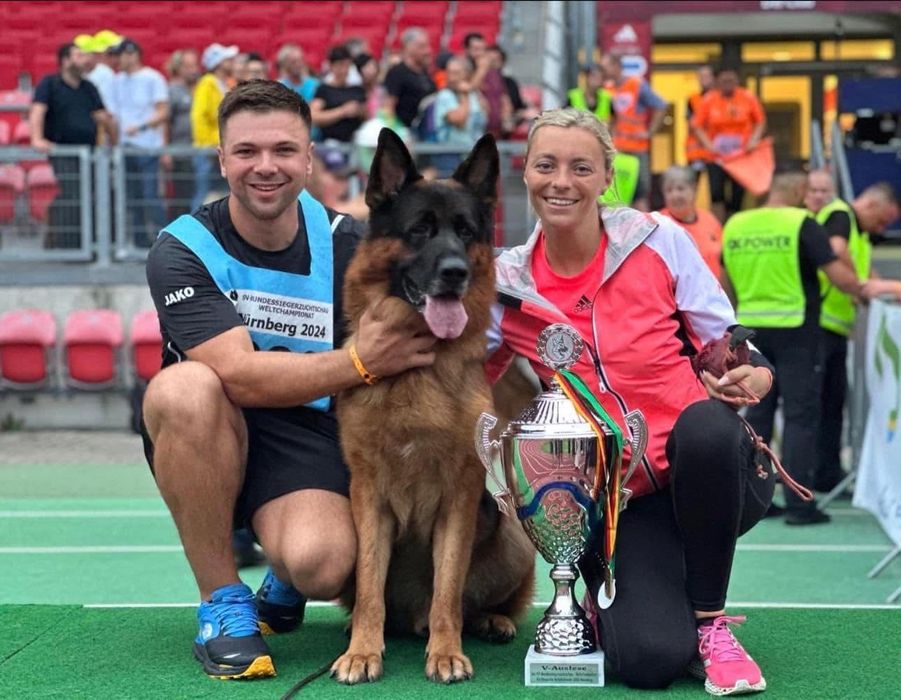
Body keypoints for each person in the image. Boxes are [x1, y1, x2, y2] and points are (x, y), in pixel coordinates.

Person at [143, 80, 437, 680]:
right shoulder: (182, 249)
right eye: (246, 151)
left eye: (282, 150)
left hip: (307, 432)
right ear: (222, 160)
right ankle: (222, 602)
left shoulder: (350, 243)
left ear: (308, 158)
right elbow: (239, 376)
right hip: (213, 424)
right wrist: (360, 361)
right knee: (183, 388)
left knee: (322, 565)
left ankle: (285, 573)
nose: (265, 166)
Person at [486, 107, 775, 695]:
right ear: (526, 172)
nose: (561, 181)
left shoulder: (659, 239)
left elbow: (730, 344)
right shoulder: (506, 284)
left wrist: (755, 375)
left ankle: (710, 622)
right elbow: (459, 374)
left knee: (707, 425)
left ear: (606, 177)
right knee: (647, 660)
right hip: (616, 505)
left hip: (708, 473)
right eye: (546, 165)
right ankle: (627, 599)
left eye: (580, 167)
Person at [721, 171, 878, 526]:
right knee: (800, 416)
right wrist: (864, 290)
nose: (809, 200)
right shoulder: (801, 222)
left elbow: (724, 282)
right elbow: (835, 273)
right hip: (797, 331)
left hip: (750, 330)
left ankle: (757, 498)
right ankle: (799, 503)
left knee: (757, 415)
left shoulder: (736, 224)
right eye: (807, 192)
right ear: (795, 190)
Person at [805, 172, 901, 492]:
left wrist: (876, 286)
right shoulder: (841, 215)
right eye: (883, 220)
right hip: (821, 323)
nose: (882, 228)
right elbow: (836, 250)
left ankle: (826, 472)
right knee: (821, 404)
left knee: (833, 403)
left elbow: (865, 268)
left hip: (833, 326)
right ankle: (814, 473)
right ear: (871, 204)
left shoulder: (859, 233)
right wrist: (858, 287)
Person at [29, 42, 116, 249]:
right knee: (73, 193)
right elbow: (38, 111)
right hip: (63, 151)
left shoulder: (89, 87)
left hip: (91, 153)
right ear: (65, 60)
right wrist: (36, 138)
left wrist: (114, 141)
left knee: (100, 193)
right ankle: (69, 245)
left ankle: (96, 243)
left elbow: (102, 116)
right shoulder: (49, 84)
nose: (85, 59)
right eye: (79, 55)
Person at [108, 38, 169, 248]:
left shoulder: (153, 78)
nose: (118, 59)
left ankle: (165, 241)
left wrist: (141, 127)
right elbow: (114, 114)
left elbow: (163, 111)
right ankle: (140, 242)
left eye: (122, 55)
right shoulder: (116, 81)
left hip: (148, 145)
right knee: (132, 198)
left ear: (133, 55)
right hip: (125, 146)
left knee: (151, 196)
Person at [691, 65, 766, 223]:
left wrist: (753, 140)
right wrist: (708, 145)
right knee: (717, 194)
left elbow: (760, 121)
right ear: (718, 81)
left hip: (741, 156)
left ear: (737, 80)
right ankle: (718, 227)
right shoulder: (709, 99)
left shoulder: (748, 97)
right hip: (716, 157)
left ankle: (735, 224)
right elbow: (697, 125)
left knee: (738, 194)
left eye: (731, 80)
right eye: (724, 81)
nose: (728, 84)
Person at [599, 53, 668, 212]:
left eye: (605, 67)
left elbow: (660, 105)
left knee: (640, 193)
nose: (603, 71)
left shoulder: (636, 85)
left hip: (636, 148)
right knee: (617, 191)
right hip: (614, 149)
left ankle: (642, 225)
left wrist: (650, 132)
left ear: (616, 66)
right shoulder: (606, 89)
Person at [191, 43, 237, 211]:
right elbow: (199, 116)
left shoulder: (224, 84)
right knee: (204, 193)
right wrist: (207, 144)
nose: (231, 62)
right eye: (227, 59)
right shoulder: (207, 83)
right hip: (209, 149)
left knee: (218, 192)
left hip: (220, 146)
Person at [658, 165, 723, 279]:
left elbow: (721, 261)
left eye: (680, 189)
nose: (675, 195)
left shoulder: (709, 220)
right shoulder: (658, 225)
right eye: (669, 190)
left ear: (694, 189)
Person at [431, 56, 487, 176]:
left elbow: (485, 116)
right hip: (451, 155)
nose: (451, 78)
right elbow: (459, 121)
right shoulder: (445, 95)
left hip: (474, 155)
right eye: (449, 73)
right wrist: (464, 96)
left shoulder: (474, 94)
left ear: (467, 75)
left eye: (456, 73)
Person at [164, 48, 200, 218]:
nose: (193, 70)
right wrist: (166, 151)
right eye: (188, 66)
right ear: (178, 68)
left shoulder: (202, 88)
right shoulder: (173, 91)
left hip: (200, 150)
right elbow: (166, 122)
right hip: (180, 151)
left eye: (195, 65)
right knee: (182, 195)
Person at [310, 45, 367, 144]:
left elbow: (367, 115)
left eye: (347, 66)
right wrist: (342, 111)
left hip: (356, 140)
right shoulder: (324, 90)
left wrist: (359, 110)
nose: (344, 70)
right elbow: (314, 116)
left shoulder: (357, 89)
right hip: (331, 141)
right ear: (332, 66)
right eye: (340, 65)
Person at [383, 27, 435, 129]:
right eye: (422, 47)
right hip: (406, 132)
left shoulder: (424, 72)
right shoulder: (397, 72)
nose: (428, 51)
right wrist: (398, 132)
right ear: (409, 48)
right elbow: (388, 108)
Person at [685, 65, 714, 174]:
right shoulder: (693, 99)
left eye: (706, 76)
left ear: (713, 78)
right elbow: (690, 124)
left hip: (716, 150)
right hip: (696, 150)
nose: (703, 79)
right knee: (692, 179)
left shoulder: (720, 98)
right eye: (701, 76)